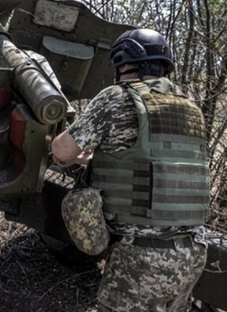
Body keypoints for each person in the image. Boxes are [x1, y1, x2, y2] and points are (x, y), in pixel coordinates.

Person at [51, 28, 210, 312]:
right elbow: (159, 166)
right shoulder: (191, 108)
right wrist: (98, 161)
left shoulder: (116, 97)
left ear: (125, 63)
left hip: (142, 256)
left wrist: (61, 148)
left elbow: (63, 152)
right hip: (193, 252)